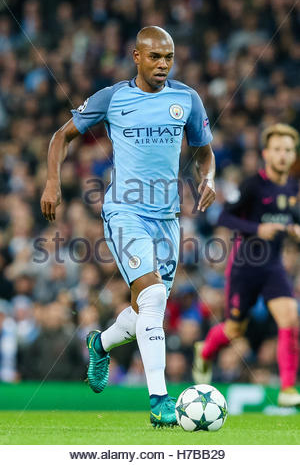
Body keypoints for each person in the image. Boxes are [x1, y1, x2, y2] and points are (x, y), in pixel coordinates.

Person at [41, 26, 216, 426]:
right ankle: (159, 401)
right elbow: (60, 137)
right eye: (155, 57)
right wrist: (53, 181)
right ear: (136, 56)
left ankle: (100, 344)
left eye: (168, 57)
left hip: (168, 220)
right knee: (153, 297)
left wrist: (210, 178)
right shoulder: (113, 98)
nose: (163, 64)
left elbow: (205, 152)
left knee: (145, 312)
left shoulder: (186, 99)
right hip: (125, 213)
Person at [193, 123, 300, 407]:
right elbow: (223, 218)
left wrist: (294, 228)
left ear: (293, 155)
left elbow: (289, 218)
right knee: (234, 329)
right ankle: (204, 350)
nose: (282, 155)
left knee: (290, 319)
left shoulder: (293, 186)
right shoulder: (253, 184)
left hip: (273, 266)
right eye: (277, 149)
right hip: (245, 266)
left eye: (288, 150)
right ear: (266, 153)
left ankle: (288, 388)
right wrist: (256, 228)